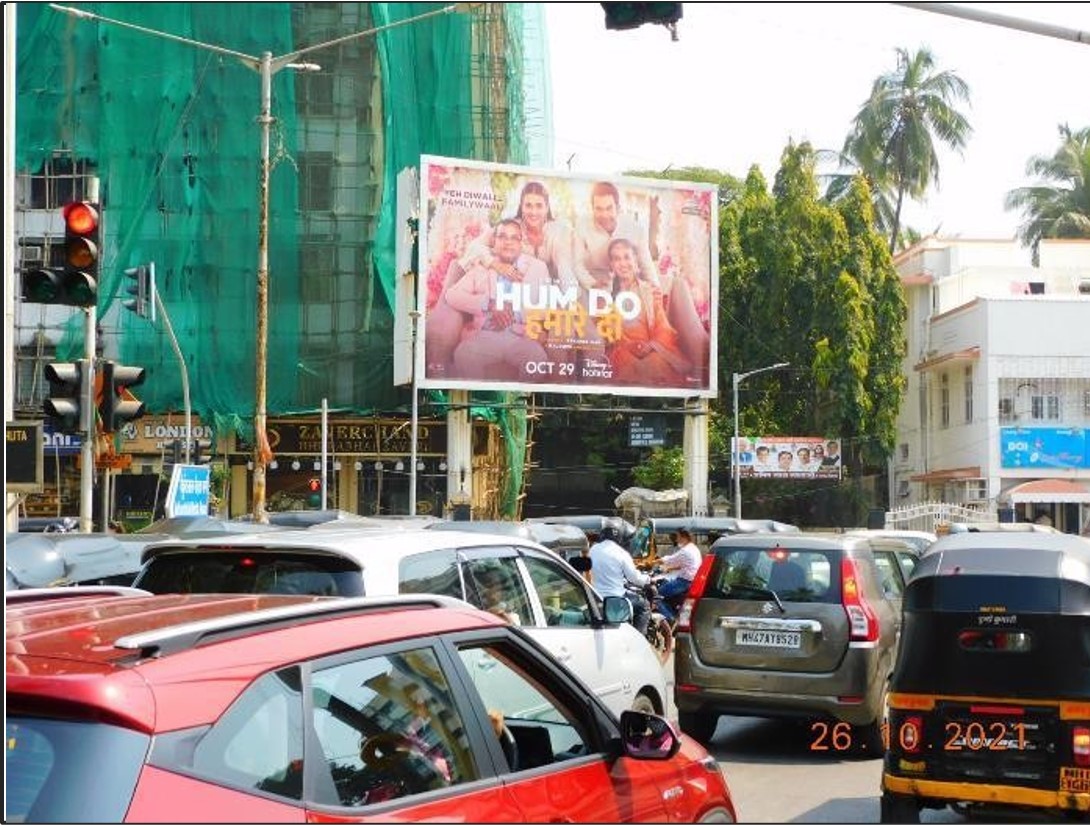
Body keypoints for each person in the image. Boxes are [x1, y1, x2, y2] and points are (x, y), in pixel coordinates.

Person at [443, 219, 552, 381]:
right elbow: (451, 295)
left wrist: (514, 312)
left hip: (521, 337)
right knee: (463, 354)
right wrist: (489, 304)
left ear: (521, 243)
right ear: (494, 241)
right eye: (502, 236)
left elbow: (548, 307)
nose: (508, 242)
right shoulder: (482, 267)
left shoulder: (538, 267)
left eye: (514, 238)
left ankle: (520, 403)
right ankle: (477, 404)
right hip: (486, 335)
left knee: (538, 359)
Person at [604, 237, 692, 387]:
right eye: (617, 259)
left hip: (651, 349)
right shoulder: (607, 294)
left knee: (656, 364)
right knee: (627, 366)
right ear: (611, 265)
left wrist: (652, 345)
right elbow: (606, 331)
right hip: (622, 351)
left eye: (627, 257)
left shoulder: (649, 291)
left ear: (636, 261)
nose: (623, 263)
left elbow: (662, 325)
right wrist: (629, 345)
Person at [589, 524, 651, 635]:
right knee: (644, 605)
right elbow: (635, 578)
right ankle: (639, 639)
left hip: (595, 597)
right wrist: (647, 580)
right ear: (620, 538)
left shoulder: (592, 549)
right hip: (616, 599)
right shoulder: (621, 553)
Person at [654, 527, 701, 623]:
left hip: (684, 582)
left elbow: (669, 559)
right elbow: (684, 565)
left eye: (678, 536)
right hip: (691, 580)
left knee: (656, 596)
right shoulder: (694, 548)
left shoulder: (685, 551)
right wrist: (669, 568)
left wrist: (650, 562)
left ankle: (670, 619)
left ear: (683, 537)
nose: (676, 538)